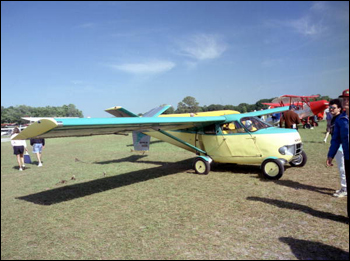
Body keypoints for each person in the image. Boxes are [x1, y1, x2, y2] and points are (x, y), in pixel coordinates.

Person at [326, 93, 349, 216]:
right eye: (344, 99)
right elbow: (335, 139)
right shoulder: (340, 119)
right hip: (345, 153)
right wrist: (330, 155)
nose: (345, 101)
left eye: (348, 99)